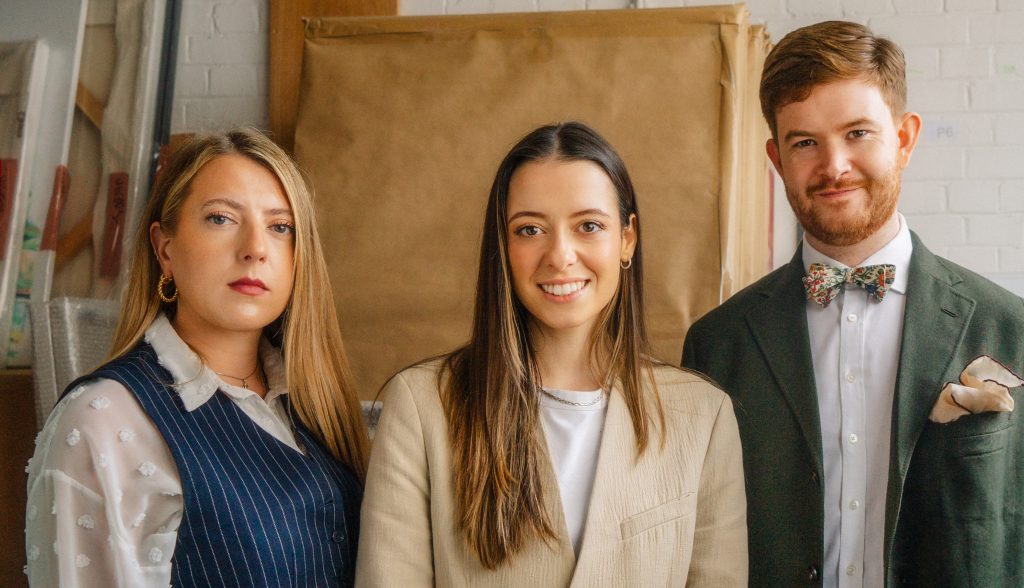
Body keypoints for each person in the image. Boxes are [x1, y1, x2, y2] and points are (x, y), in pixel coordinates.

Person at [683, 20, 1024, 588]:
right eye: (805, 142)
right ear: (777, 159)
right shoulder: (717, 344)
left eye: (858, 133)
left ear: (905, 139)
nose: (834, 166)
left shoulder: (1011, 329)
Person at [356, 121, 746, 586]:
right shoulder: (422, 407)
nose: (560, 255)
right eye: (530, 230)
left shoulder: (703, 415)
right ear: (503, 245)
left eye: (589, 226)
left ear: (627, 238)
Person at [25, 128, 368, 587]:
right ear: (164, 248)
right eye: (221, 218)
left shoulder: (314, 405)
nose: (255, 249)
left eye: (280, 226)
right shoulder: (102, 419)